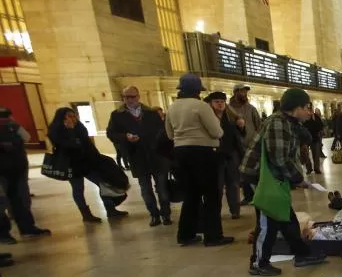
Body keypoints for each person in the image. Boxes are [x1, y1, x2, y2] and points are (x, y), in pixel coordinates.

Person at [240, 88, 327, 275]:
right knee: (268, 221)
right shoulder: (277, 123)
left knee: (286, 217)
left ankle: (301, 252)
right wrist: (298, 178)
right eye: (306, 107)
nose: (309, 112)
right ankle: (258, 263)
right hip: (262, 178)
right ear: (295, 108)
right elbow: (278, 158)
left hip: (272, 177)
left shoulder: (288, 122)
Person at [165, 74, 230, 246]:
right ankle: (213, 236)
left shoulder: (172, 107)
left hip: (180, 153)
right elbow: (217, 132)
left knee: (191, 195)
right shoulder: (200, 106)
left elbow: (170, 133)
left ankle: (186, 235)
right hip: (203, 153)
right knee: (211, 195)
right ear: (196, 91)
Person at [48, 107, 128, 223]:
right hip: (72, 165)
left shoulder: (79, 127)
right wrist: (69, 130)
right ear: (62, 118)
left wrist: (97, 157)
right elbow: (70, 144)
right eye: (69, 116)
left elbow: (86, 143)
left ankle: (110, 209)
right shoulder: (56, 130)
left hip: (87, 162)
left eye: (73, 116)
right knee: (78, 189)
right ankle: (86, 214)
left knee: (103, 183)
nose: (73, 118)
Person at [107, 87, 170, 226]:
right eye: (126, 97)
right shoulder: (117, 115)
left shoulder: (151, 113)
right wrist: (125, 137)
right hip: (137, 156)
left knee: (162, 188)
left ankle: (166, 214)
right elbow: (111, 133)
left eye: (132, 96)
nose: (130, 100)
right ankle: (154, 214)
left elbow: (162, 131)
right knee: (145, 189)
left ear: (138, 96)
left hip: (156, 155)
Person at [0, 110, 49, 241]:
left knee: (21, 201)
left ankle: (27, 228)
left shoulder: (13, 127)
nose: (5, 120)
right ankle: (4, 234)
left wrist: (15, 125)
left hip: (17, 169)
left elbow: (27, 137)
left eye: (7, 117)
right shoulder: (11, 127)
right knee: (2, 203)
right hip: (2, 173)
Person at [204, 92, 245, 220]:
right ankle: (216, 211)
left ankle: (235, 211)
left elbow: (240, 136)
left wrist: (242, 127)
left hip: (231, 154)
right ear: (210, 103)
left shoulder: (231, 118)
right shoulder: (207, 118)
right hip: (215, 155)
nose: (220, 104)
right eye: (217, 102)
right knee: (218, 185)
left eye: (222, 101)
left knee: (233, 184)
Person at [227, 83, 262, 205]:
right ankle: (248, 195)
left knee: (253, 170)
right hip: (236, 146)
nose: (244, 94)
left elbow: (259, 125)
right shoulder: (228, 109)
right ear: (235, 93)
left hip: (251, 145)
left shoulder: (251, 108)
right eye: (241, 91)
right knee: (241, 172)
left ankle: (258, 194)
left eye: (245, 92)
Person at [304, 108, 326, 174]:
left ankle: (317, 168)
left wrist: (314, 120)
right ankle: (309, 168)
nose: (309, 112)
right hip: (305, 139)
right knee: (305, 155)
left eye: (310, 110)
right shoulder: (303, 117)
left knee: (316, 154)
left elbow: (320, 127)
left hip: (315, 138)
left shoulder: (315, 117)